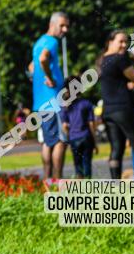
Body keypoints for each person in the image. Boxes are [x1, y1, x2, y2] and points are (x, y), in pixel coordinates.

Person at [98, 30, 134, 180]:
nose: (124, 45)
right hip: (123, 108)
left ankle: (116, 186)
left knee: (117, 148)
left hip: (108, 110)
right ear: (110, 42)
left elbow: (115, 82)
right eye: (120, 41)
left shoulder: (102, 60)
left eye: (126, 42)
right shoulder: (119, 59)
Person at [29, 12, 69, 184]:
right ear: (52, 24)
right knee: (60, 141)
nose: (65, 29)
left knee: (48, 141)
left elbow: (32, 66)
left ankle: (47, 180)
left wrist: (37, 78)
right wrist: (51, 79)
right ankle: (58, 180)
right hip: (53, 100)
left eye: (67, 26)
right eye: (62, 25)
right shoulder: (52, 42)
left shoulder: (39, 42)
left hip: (40, 101)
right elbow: (43, 59)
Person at [59, 76, 98, 179]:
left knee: (77, 166)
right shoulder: (86, 103)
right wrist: (95, 142)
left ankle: (80, 188)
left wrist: (69, 138)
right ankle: (88, 187)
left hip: (73, 138)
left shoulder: (65, 106)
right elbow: (91, 125)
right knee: (87, 164)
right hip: (86, 137)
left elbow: (65, 126)